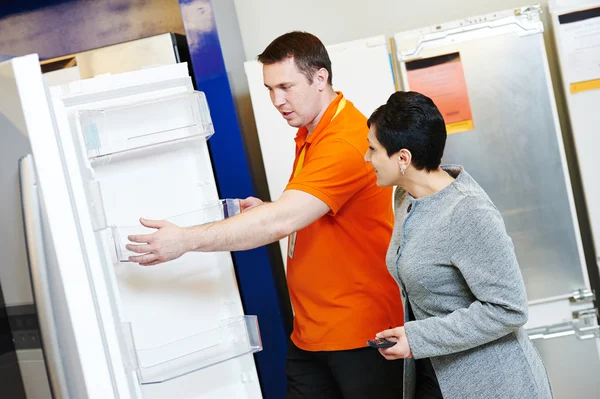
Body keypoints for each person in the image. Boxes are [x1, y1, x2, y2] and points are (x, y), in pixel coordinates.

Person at [127, 31, 404, 398]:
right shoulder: (312, 133)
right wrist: (271, 211)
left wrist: (185, 240)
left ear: (320, 78)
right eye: (270, 89)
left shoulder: (345, 140)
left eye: (286, 87)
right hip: (312, 333)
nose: (277, 100)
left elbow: (285, 219)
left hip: (359, 335)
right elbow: (307, 213)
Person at [364, 91, 554, 399]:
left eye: (373, 149)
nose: (366, 158)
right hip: (435, 376)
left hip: (495, 384)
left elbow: (509, 308)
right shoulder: (405, 198)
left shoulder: (467, 212)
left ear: (403, 158)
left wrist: (417, 337)